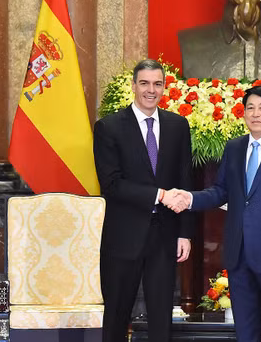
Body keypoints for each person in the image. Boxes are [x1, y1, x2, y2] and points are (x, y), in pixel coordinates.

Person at [168, 85, 261, 342]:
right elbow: (221, 191)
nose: (255, 114)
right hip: (238, 253)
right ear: (243, 114)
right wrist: (189, 198)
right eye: (250, 108)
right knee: (245, 329)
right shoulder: (234, 148)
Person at [93, 59, 194, 342]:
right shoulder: (109, 127)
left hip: (165, 236)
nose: (151, 90)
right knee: (116, 316)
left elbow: (185, 181)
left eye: (158, 84)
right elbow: (111, 184)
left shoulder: (178, 126)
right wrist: (159, 195)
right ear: (134, 86)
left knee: (162, 319)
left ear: (164, 87)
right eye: (145, 83)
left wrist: (185, 232)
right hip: (123, 236)